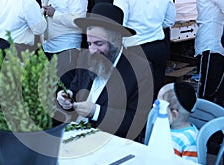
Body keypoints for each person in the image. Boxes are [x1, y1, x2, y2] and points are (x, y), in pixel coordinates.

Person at [56, 3, 153, 140]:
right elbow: (75, 87)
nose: (92, 50)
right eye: (90, 43)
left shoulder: (140, 69)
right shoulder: (85, 57)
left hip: (112, 143)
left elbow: (137, 122)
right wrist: (67, 97)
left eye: (99, 44)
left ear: (117, 40)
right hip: (76, 135)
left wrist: (96, 112)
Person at [113, 0, 176, 99]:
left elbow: (120, 21)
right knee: (156, 92)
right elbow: (170, 21)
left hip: (133, 47)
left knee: (133, 95)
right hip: (157, 46)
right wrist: (153, 28)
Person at [41, 0, 88, 86]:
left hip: (67, 47)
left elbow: (80, 20)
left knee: (66, 90)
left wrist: (55, 14)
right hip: (47, 47)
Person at [195, 0, 224, 108]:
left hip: (218, 46)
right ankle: (204, 120)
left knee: (218, 91)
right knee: (208, 92)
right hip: (210, 45)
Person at [157, 82, 198, 163]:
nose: (155, 108)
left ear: (174, 114)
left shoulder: (190, 142)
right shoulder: (164, 126)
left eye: (160, 108)